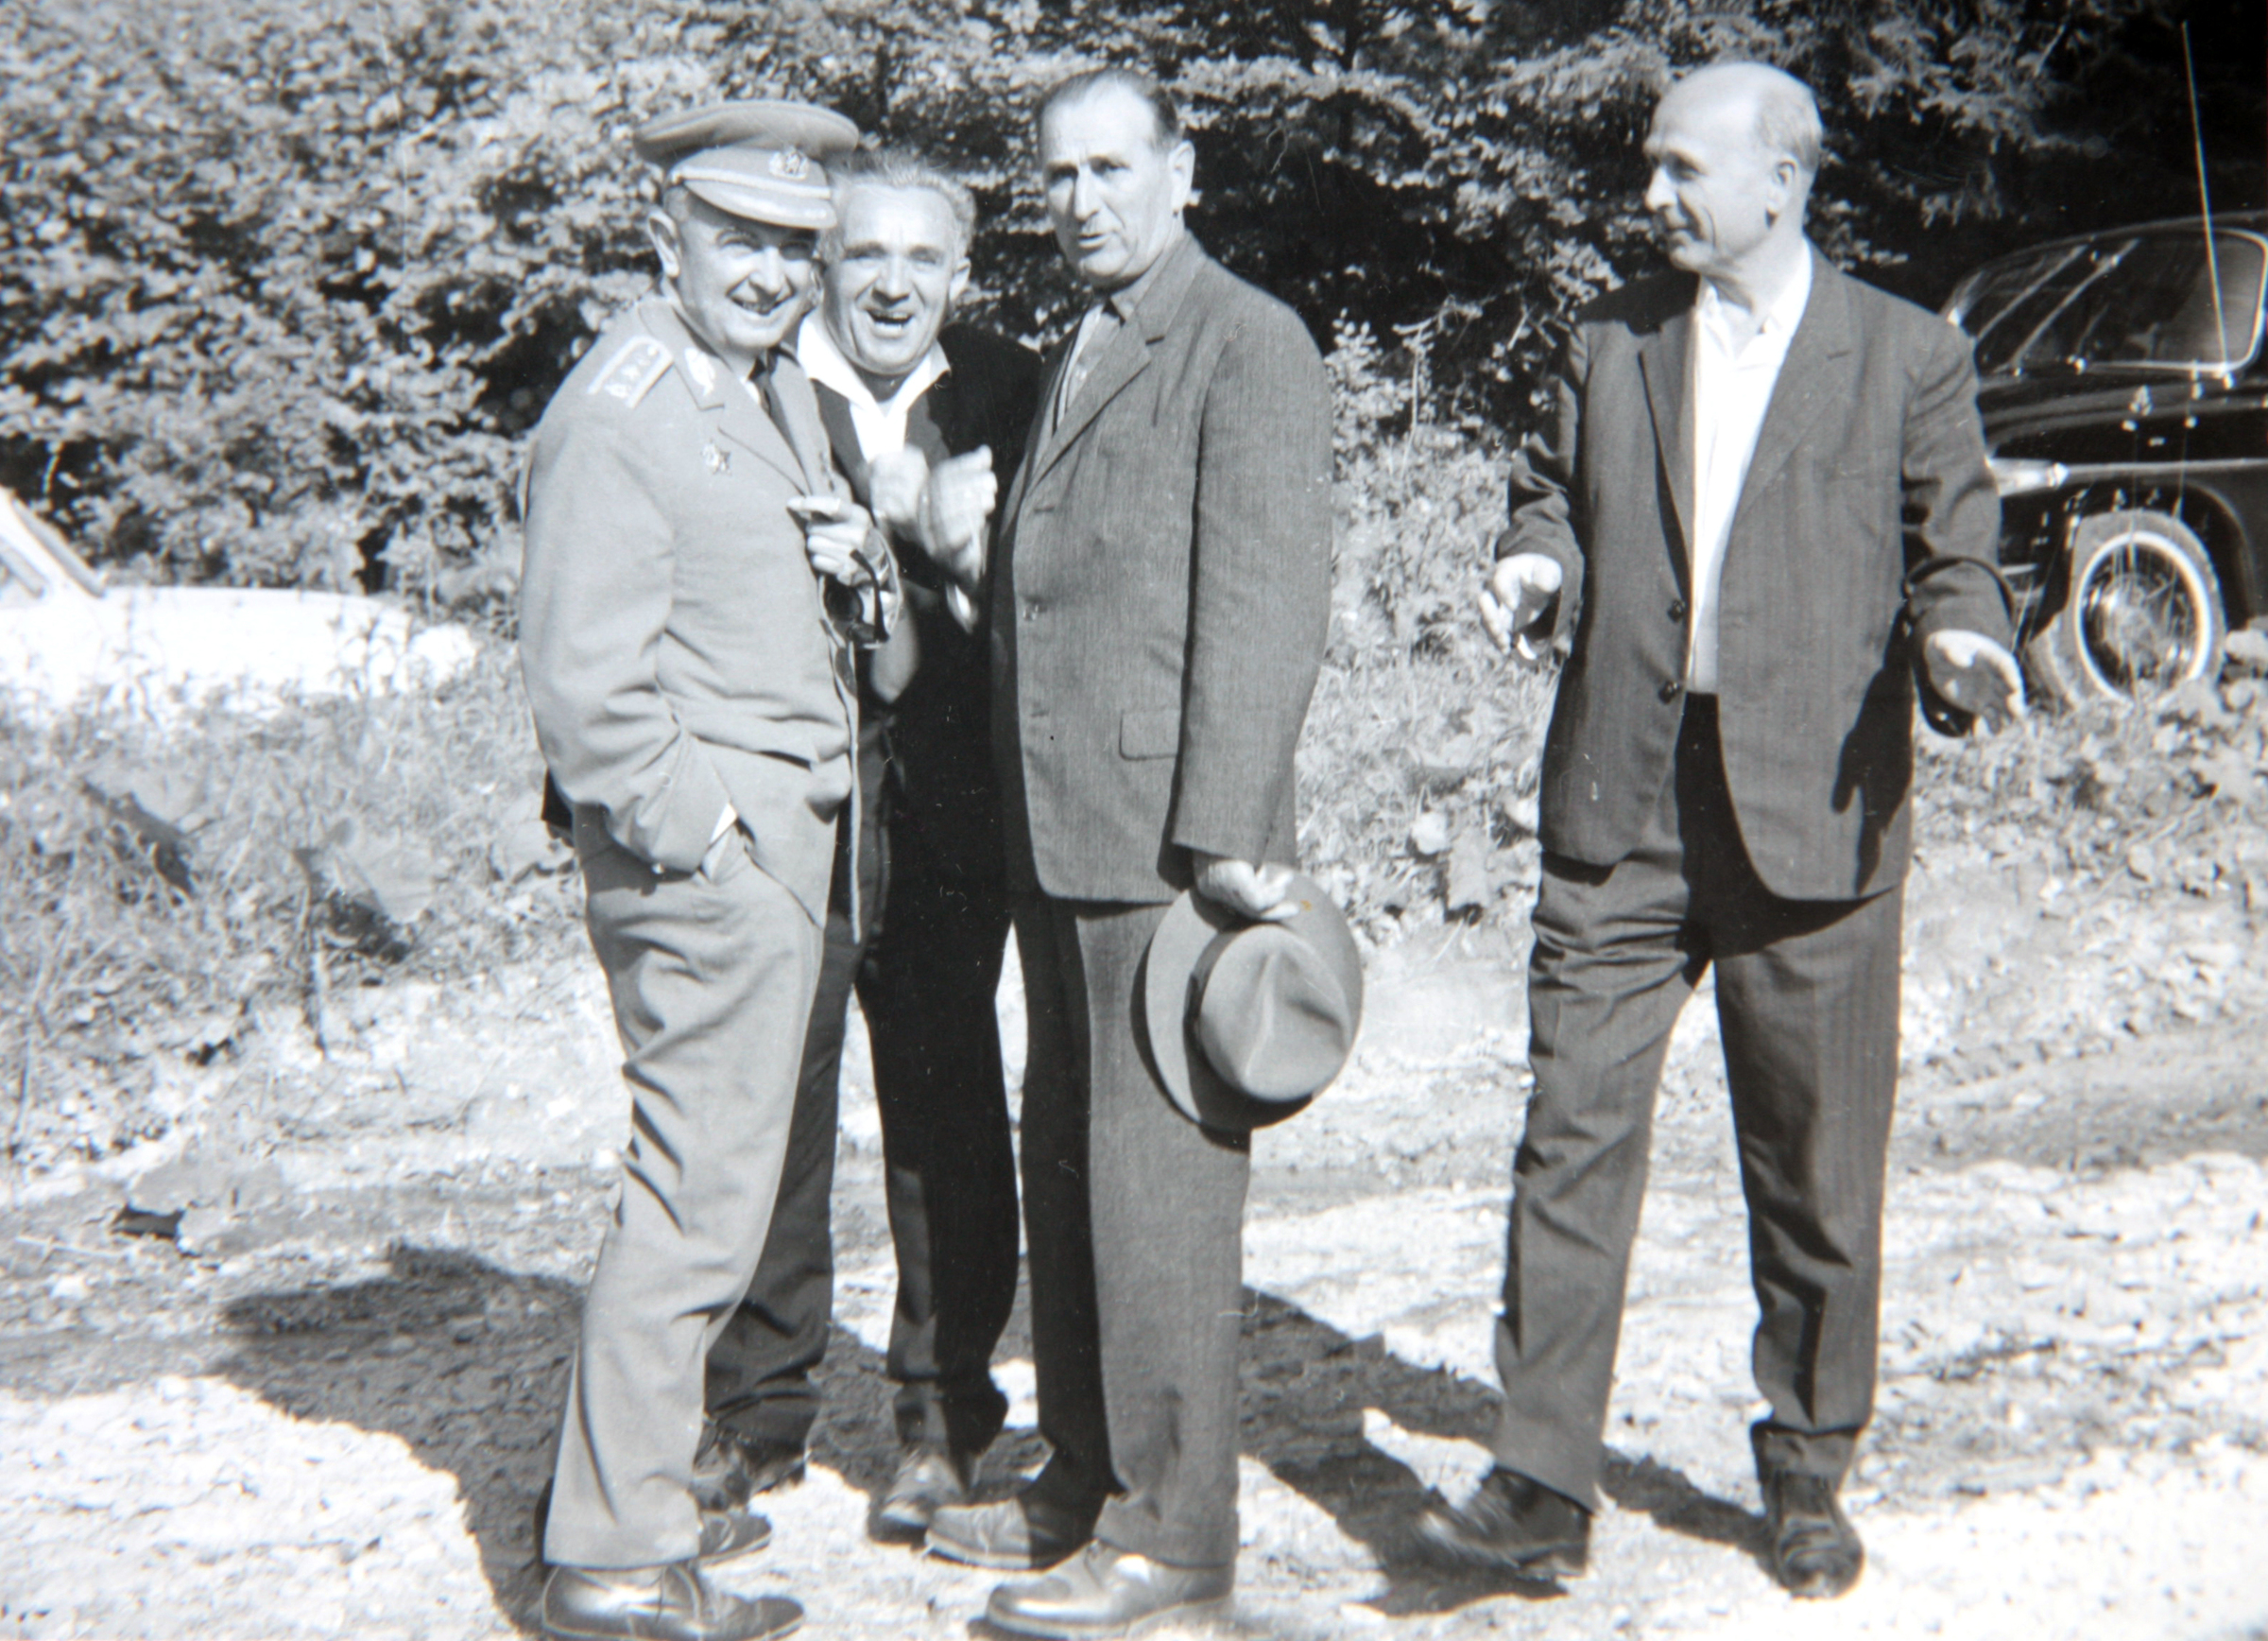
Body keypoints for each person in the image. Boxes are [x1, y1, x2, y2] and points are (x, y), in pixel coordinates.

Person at [1415, 62, 2024, 1600]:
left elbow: (1957, 549)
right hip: (1623, 797)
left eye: (1683, 169)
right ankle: (1538, 1483)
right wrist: (1535, 564)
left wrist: (1964, 642)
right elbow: (1547, 498)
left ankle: (1808, 1470)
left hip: (1815, 806)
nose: (1653, 196)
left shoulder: (1905, 353)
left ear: (1784, 181)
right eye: (1652, 166)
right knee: (1570, 1135)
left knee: (1816, 1164)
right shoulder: (1610, 337)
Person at [919, 67, 1334, 1639]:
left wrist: (1223, 837)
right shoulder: (1083, 342)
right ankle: (1085, 1484)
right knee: (1074, 1173)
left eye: (1111, 169)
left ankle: (1173, 1548)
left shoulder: (1246, 341)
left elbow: (1267, 604)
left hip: (1166, 851)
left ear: (1184, 170)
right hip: (1061, 830)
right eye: (1057, 175)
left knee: (1158, 1200)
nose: (1080, 201)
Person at [518, 98, 875, 1641]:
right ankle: (610, 1559)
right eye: (742, 238)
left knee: (713, 1199)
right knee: (693, 1205)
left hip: (774, 849)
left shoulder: (763, 383)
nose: (775, 271)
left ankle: (645, 1488)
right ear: (666, 234)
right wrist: (710, 839)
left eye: (798, 244)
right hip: (710, 869)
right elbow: (586, 689)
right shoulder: (625, 407)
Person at [697, 147, 1044, 1540]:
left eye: (923, 258)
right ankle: (755, 1413)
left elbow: (1057, 593)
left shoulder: (1017, 389)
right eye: (865, 256)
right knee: (772, 1108)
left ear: (959, 273)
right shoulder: (757, 387)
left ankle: (943, 1419)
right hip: (790, 812)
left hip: (954, 809)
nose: (894, 285)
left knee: (948, 1110)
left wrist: (959, 547)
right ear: (825, 267)